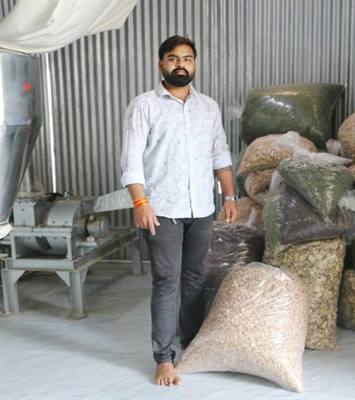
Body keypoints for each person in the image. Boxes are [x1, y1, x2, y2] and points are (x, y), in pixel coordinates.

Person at [120, 35, 237, 386]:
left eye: (187, 58)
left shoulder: (208, 107)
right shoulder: (144, 105)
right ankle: (163, 358)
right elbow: (131, 160)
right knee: (166, 281)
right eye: (173, 58)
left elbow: (220, 154)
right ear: (161, 64)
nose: (180, 64)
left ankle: (192, 342)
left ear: (195, 64)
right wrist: (140, 202)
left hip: (201, 208)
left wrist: (230, 197)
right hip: (162, 210)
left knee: (195, 278)